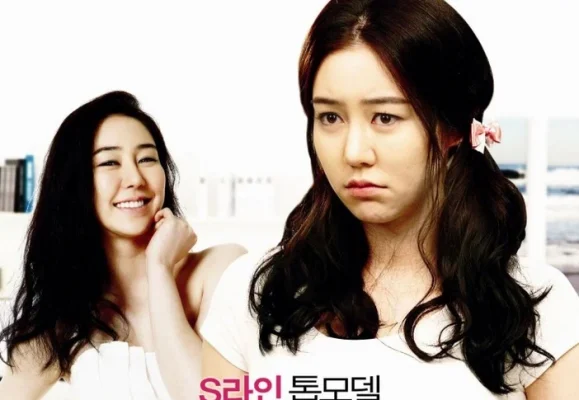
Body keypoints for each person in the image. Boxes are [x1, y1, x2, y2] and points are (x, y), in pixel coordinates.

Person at [200, 1, 579, 399]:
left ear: (453, 128)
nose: (353, 152)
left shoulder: (534, 306)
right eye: (330, 117)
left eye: (385, 117)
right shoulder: (254, 292)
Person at [0, 90, 245, 399]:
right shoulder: (61, 321)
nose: (134, 178)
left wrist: (160, 269)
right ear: (75, 183)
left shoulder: (222, 271)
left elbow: (208, 395)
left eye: (147, 159)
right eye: (109, 162)